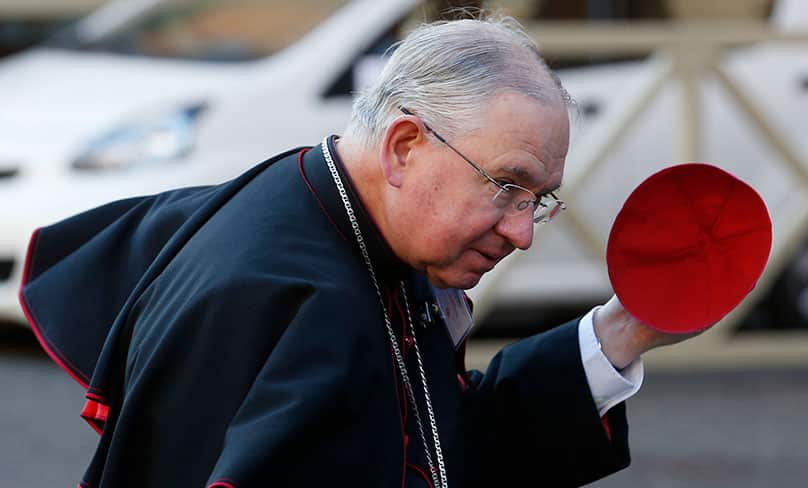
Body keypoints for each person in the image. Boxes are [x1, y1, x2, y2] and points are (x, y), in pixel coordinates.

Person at [20, 15, 698, 488]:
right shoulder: (308, 309)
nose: (521, 232)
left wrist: (618, 334)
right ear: (405, 147)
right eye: (505, 186)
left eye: (539, 199)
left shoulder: (321, 203)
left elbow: (438, 440)